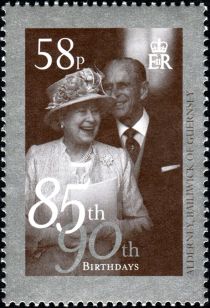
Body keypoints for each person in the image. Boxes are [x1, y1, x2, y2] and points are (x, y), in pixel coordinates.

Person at [25, 67, 152, 276]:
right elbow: (12, 224)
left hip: (102, 279)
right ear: (62, 118)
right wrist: (58, 236)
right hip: (48, 279)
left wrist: (112, 229)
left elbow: (144, 223)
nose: (91, 119)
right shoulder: (37, 158)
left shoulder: (118, 158)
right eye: (82, 111)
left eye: (95, 111)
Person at [97, 58, 182, 275]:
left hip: (166, 262)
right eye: (108, 87)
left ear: (143, 90)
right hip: (107, 262)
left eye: (123, 85)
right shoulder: (94, 138)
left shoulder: (178, 135)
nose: (114, 94)